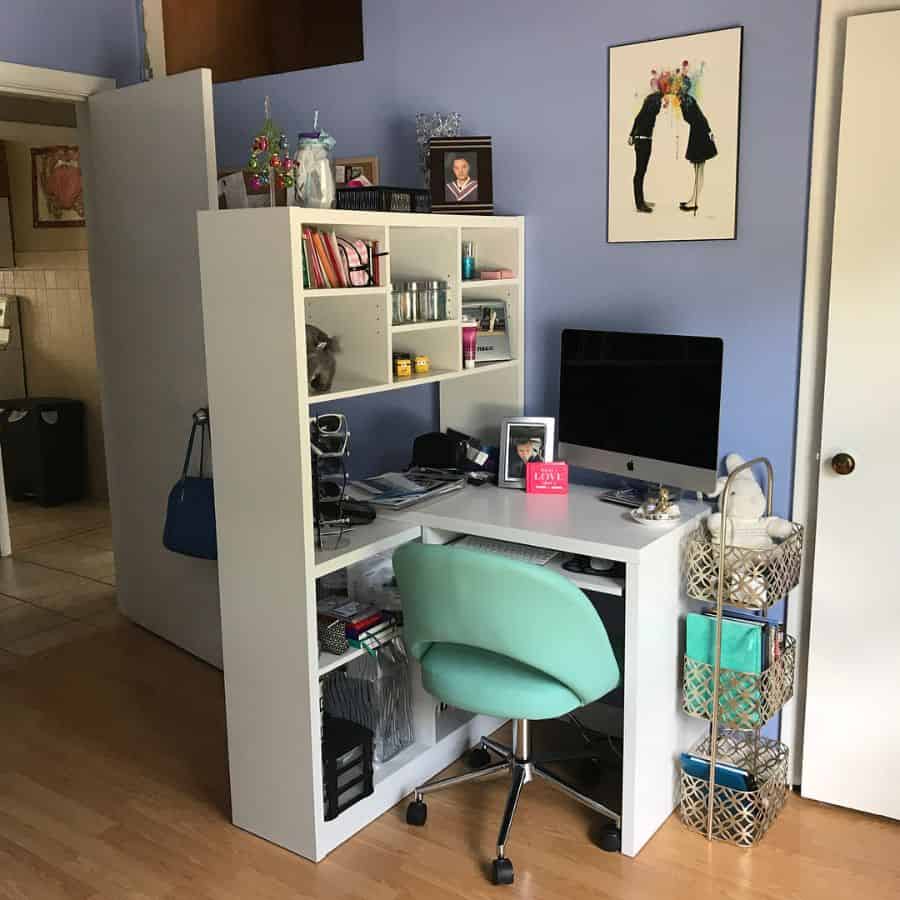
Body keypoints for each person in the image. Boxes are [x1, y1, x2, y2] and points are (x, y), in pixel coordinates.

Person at [678, 88, 717, 214]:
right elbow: (699, 116)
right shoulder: (687, 100)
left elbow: (696, 117)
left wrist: (709, 131)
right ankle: (693, 200)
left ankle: (694, 202)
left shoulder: (687, 101)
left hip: (700, 135)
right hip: (698, 133)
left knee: (699, 170)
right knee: (697, 170)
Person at [628, 88, 663, 213]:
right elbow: (656, 110)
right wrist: (662, 102)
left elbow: (637, 118)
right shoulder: (653, 102)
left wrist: (631, 135)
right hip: (643, 141)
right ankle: (640, 204)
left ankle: (641, 201)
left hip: (644, 140)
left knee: (641, 172)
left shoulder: (648, 104)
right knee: (640, 172)